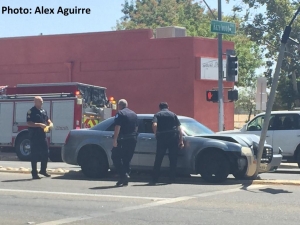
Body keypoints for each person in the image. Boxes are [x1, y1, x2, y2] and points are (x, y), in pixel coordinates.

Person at [151, 102, 184, 184]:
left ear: (159, 108)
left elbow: (154, 125)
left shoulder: (157, 115)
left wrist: (156, 134)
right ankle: (172, 178)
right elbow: (179, 128)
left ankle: (155, 179)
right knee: (173, 159)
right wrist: (181, 140)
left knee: (159, 158)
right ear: (168, 107)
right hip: (173, 138)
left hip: (162, 138)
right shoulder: (173, 115)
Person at [111, 99, 138, 187]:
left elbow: (117, 126)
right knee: (127, 159)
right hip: (132, 139)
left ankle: (123, 175)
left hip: (123, 139)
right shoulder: (134, 114)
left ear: (119, 105)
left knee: (115, 156)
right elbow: (136, 127)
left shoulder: (120, 113)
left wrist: (115, 139)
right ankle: (124, 179)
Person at [27, 96, 53, 179]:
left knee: (46, 153)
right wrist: (39, 125)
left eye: (42, 101)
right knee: (34, 154)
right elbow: (29, 123)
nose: (42, 102)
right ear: (35, 102)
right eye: (40, 101)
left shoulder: (43, 111)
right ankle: (34, 173)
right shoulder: (31, 111)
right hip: (34, 135)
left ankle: (43, 170)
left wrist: (50, 123)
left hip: (42, 135)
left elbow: (47, 119)